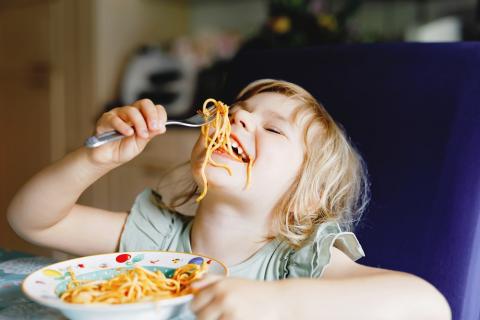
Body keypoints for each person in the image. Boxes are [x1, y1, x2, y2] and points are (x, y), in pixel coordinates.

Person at [7, 79, 451, 319]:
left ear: (306, 199)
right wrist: (96, 159)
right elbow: (34, 222)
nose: (237, 119)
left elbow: (426, 306)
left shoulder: (295, 262)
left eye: (273, 129)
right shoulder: (159, 240)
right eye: (236, 112)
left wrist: (279, 304)